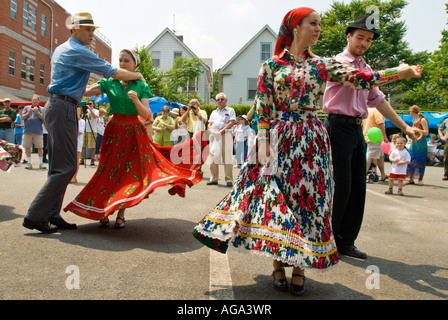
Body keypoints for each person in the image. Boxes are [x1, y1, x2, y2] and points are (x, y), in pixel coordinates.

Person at [193, 7, 421, 296]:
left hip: (312, 139)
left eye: (320, 25)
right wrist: (263, 140)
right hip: (278, 139)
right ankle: (277, 264)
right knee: (278, 201)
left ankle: (300, 267)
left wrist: (397, 74)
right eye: (313, 24)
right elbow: (263, 107)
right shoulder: (271, 67)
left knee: (309, 201)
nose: (318, 29)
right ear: (295, 27)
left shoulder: (323, 65)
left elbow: (364, 79)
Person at [23, 12, 147, 234]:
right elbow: (112, 72)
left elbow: (95, 85)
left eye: (93, 30)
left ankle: (51, 214)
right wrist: (138, 76)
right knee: (68, 166)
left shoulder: (64, 48)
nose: (93, 34)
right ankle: (35, 215)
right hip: (63, 108)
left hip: (58, 106)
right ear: (74, 29)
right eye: (88, 30)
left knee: (57, 167)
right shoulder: (77, 51)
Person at [64, 48, 208, 228]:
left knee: (129, 173)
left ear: (135, 64)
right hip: (114, 131)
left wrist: (136, 101)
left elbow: (147, 115)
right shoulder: (110, 82)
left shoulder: (141, 86)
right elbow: (87, 91)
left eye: (126, 61)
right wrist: (70, 79)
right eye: (120, 60)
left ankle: (121, 214)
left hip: (133, 132)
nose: (122, 64)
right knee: (108, 170)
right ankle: (105, 210)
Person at [323, 14, 422, 259]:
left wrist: (405, 128)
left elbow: (377, 100)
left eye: (368, 40)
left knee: (358, 186)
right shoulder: (337, 63)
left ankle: (347, 241)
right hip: (337, 127)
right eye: (360, 37)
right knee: (340, 186)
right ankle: (328, 242)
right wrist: (398, 72)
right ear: (349, 36)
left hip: (357, 129)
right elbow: (361, 83)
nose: (364, 43)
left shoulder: (365, 66)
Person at [207, 93, 236, 187]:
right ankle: (214, 178)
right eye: (218, 99)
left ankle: (229, 179)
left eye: (222, 99)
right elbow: (209, 124)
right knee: (213, 156)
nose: (220, 101)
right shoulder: (213, 112)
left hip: (225, 135)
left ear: (226, 100)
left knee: (227, 157)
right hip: (214, 136)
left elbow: (231, 123)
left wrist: (221, 132)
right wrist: (213, 132)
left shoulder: (230, 110)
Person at [406, 105, 429, 186]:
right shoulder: (413, 120)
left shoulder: (422, 120)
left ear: (414, 112)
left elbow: (426, 132)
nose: (410, 113)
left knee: (420, 159)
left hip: (421, 142)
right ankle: (411, 178)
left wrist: (417, 130)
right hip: (414, 141)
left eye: (410, 112)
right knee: (411, 159)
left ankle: (420, 179)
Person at [364, 107, 388, 182]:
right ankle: (363, 174)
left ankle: (383, 174)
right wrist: (385, 136)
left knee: (380, 156)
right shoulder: (377, 110)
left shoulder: (367, 110)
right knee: (370, 156)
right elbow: (380, 123)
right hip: (375, 137)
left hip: (368, 135)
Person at [22, 95, 46, 170]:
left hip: (38, 131)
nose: (34, 101)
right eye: (33, 100)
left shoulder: (42, 109)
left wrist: (37, 112)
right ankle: (29, 163)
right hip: (27, 131)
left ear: (39, 101)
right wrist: (29, 112)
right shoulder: (27, 108)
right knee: (27, 147)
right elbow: (22, 117)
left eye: (36, 100)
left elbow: (43, 118)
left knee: (40, 147)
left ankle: (41, 163)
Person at [80, 99, 99, 166]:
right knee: (83, 145)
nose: (90, 104)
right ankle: (82, 159)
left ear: (93, 104)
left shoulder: (96, 111)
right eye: (89, 103)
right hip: (86, 129)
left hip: (93, 130)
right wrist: (84, 112)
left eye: (91, 103)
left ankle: (92, 160)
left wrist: (90, 109)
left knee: (92, 146)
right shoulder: (86, 111)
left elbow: (95, 116)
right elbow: (82, 119)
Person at [70, 106, 85, 184]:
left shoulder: (82, 122)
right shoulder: (70, 121)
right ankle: (69, 176)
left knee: (76, 160)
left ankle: (74, 177)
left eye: (77, 111)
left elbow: (79, 132)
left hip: (77, 144)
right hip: (69, 143)